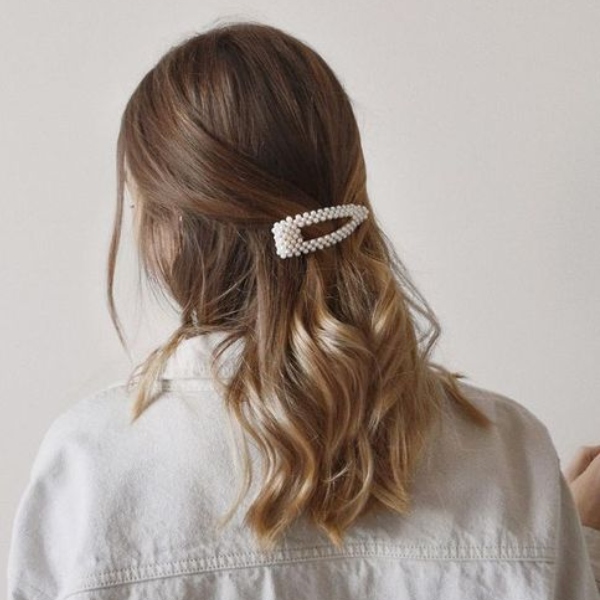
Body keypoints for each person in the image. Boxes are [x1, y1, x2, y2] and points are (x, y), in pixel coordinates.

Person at [6, 20, 600, 600]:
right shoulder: (512, 458)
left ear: (170, 229)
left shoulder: (92, 470)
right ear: (351, 192)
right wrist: (562, 537)